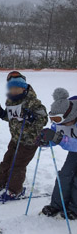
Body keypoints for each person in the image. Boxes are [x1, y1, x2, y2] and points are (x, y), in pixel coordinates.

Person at [0, 71, 48, 201]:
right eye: (11, 88)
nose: (13, 91)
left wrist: (31, 118)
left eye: (16, 88)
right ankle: (0, 184)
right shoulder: (11, 101)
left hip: (29, 141)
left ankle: (14, 190)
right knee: (6, 161)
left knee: (17, 165)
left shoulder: (33, 102)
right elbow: (11, 118)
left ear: (23, 88)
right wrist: (0, 113)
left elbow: (44, 119)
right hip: (15, 138)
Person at [40, 88, 77, 220]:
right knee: (65, 174)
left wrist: (59, 139)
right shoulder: (61, 121)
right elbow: (58, 136)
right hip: (74, 151)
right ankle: (57, 205)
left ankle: (74, 208)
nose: (62, 125)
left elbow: (62, 139)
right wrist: (47, 140)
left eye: (63, 122)